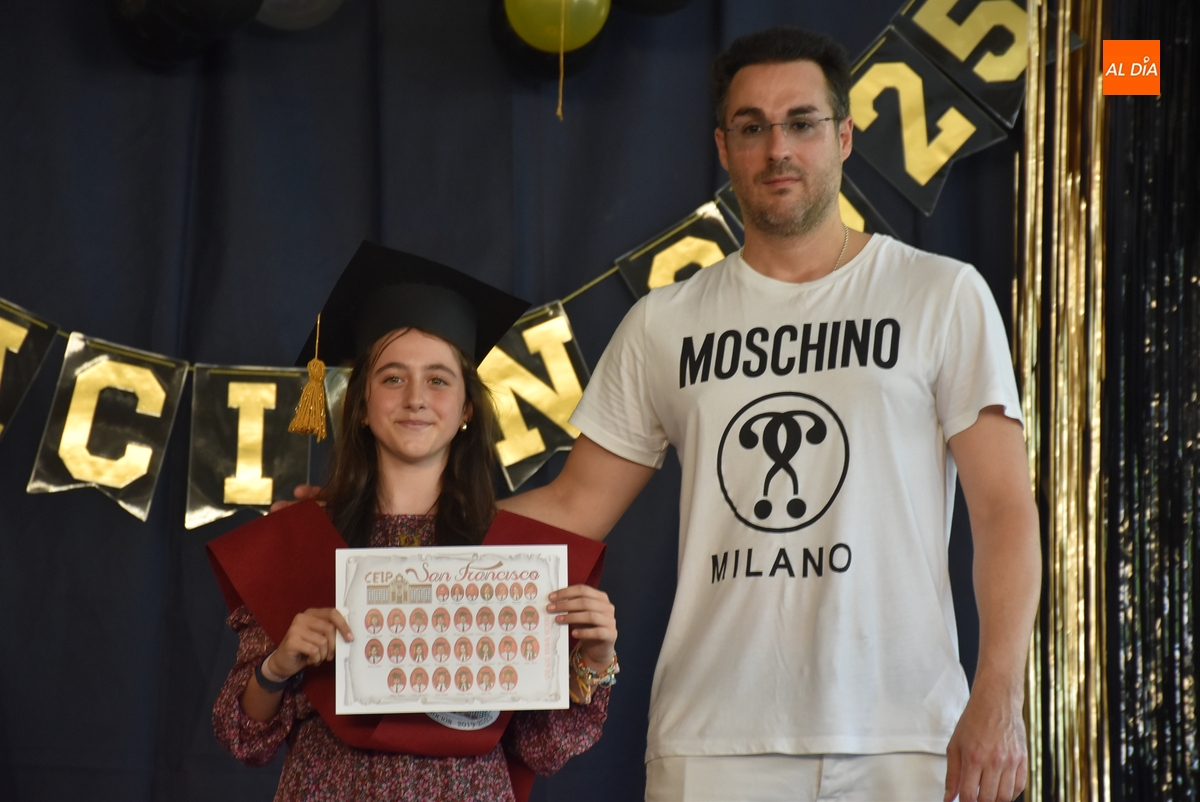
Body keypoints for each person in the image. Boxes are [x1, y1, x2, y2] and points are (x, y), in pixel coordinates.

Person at [495, 26, 1041, 802]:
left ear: (844, 136)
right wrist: (387, 524)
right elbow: (574, 504)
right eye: (752, 127)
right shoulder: (664, 322)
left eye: (801, 123)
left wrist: (1000, 691)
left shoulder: (941, 295)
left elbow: (1004, 508)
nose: (778, 149)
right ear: (724, 147)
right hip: (712, 740)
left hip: (902, 734)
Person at [212, 243, 620, 802]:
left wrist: (595, 660)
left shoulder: (509, 556)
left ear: (467, 409)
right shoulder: (304, 539)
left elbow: (542, 748)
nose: (415, 399)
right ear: (360, 404)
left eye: (438, 380)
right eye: (392, 379)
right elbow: (244, 738)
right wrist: (276, 667)